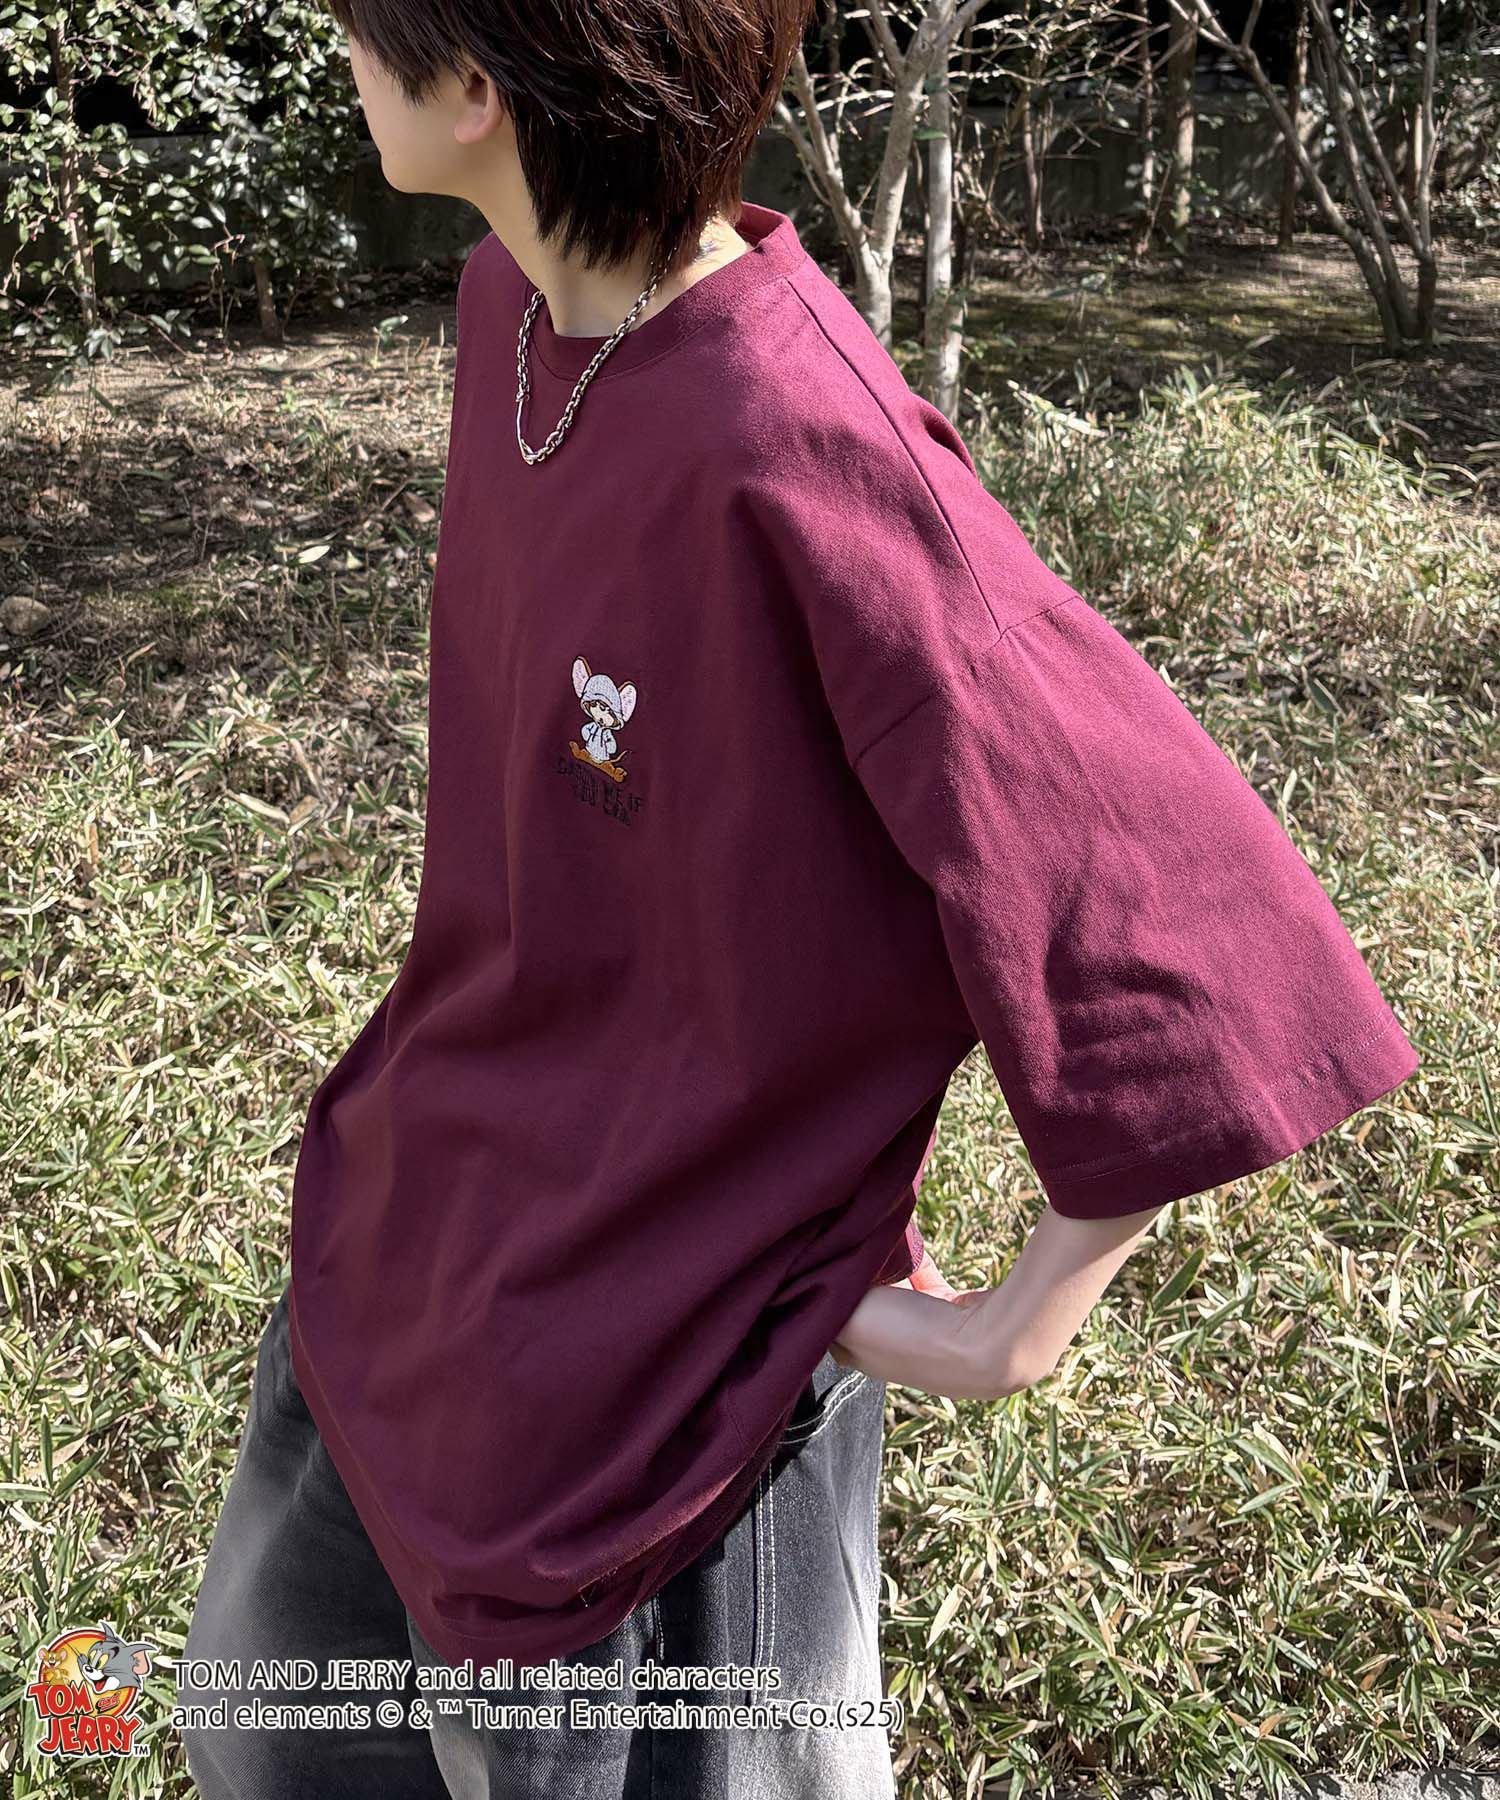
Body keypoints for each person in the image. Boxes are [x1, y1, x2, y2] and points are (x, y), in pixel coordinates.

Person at [175, 0, 1422, 1795]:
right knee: (266, 1743)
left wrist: (1002, 1334)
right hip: (406, 1270)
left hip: (664, 1438)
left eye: (369, 24)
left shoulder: (802, 439)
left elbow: (1173, 897)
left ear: (479, 91)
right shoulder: (513, 312)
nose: (336, 44)